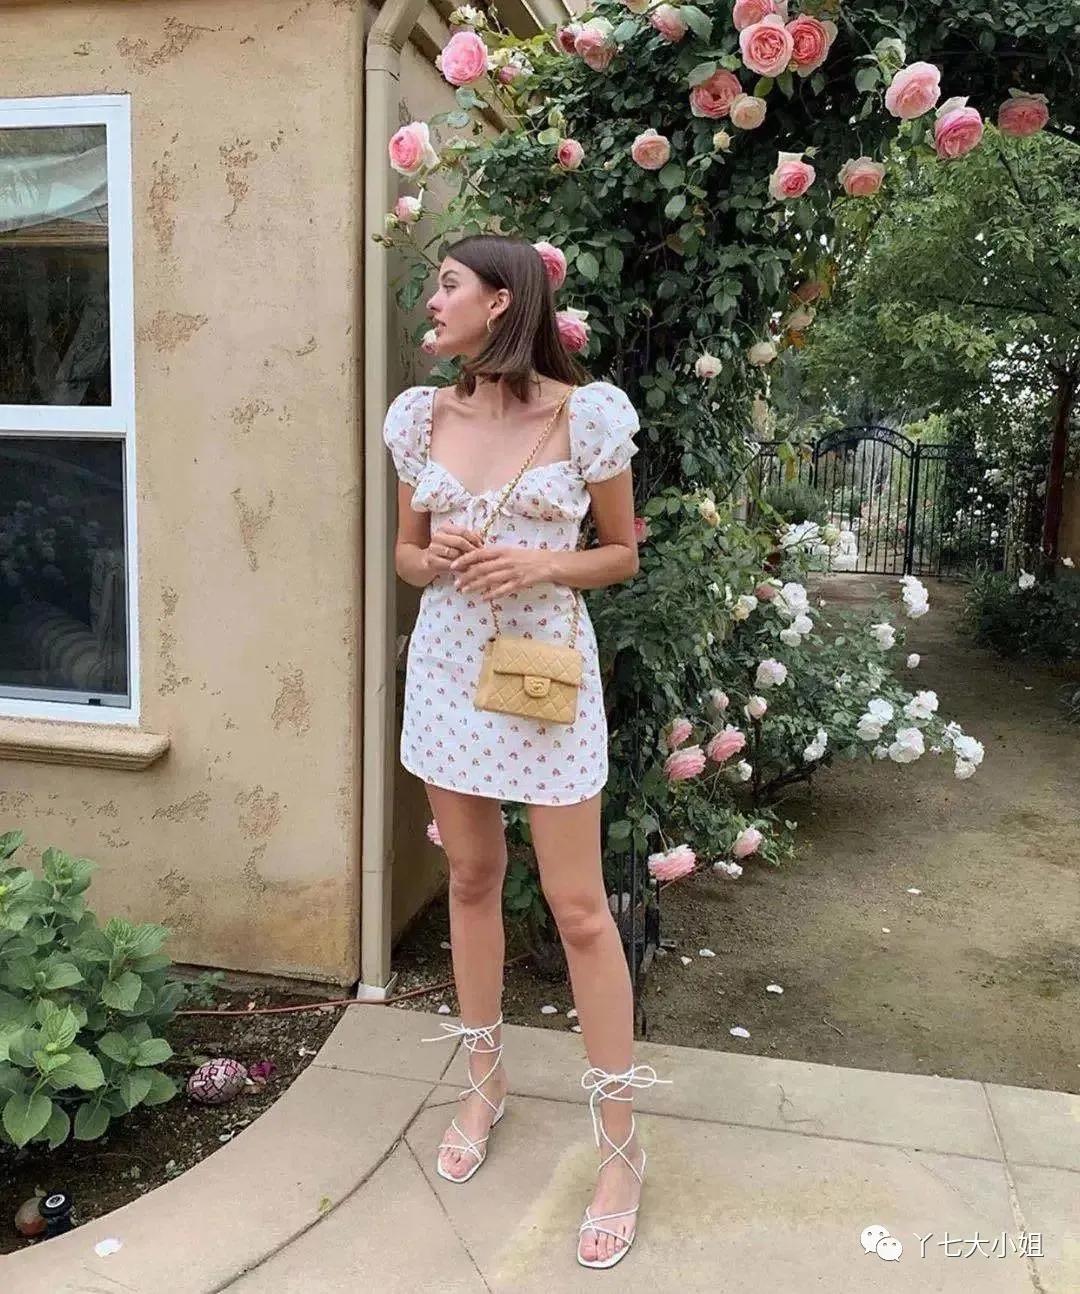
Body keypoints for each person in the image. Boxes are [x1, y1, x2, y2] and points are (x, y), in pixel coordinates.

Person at [381, 233, 669, 1270]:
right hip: (447, 677)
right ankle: (483, 1080)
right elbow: (406, 554)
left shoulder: (585, 415)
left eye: (448, 285)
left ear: (502, 300)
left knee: (580, 908)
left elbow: (622, 553)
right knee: (469, 877)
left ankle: (621, 1145)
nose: (433, 301)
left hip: (545, 681)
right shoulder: (421, 417)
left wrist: (539, 562)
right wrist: (437, 556)